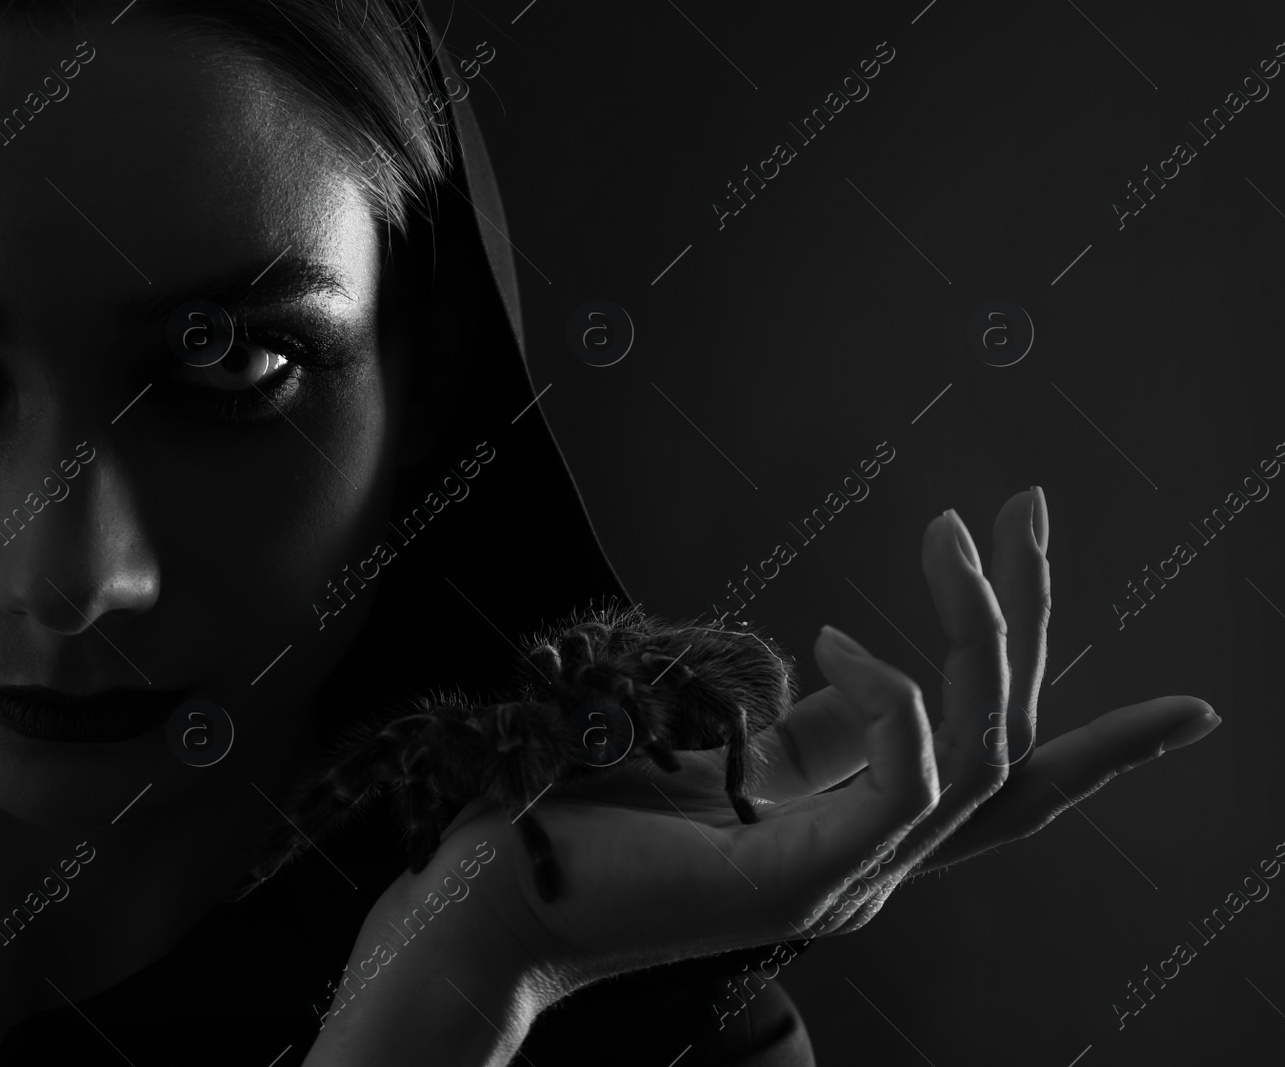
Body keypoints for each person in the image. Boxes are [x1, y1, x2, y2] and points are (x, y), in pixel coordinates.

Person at [0, 2, 1221, 1063]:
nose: (76, 578)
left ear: (431, 375)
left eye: (244, 361)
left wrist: (467, 981)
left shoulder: (660, 1035)